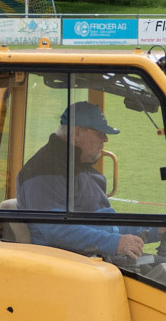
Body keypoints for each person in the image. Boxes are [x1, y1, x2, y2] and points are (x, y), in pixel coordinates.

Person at [16, 102, 150, 261]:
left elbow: (106, 223)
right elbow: (55, 229)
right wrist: (113, 242)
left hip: (92, 256)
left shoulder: (77, 166)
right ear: (77, 133)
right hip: (71, 263)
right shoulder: (44, 171)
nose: (105, 139)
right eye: (100, 133)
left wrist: (153, 229)